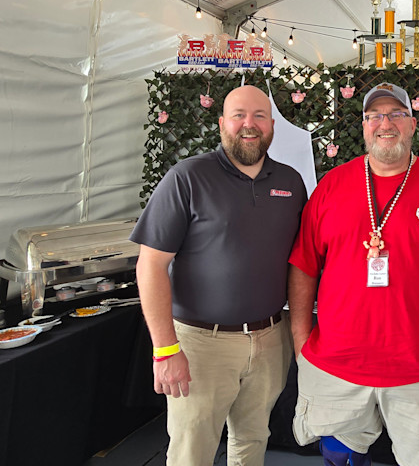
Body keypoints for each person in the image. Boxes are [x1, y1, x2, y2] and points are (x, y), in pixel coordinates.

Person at [288, 82, 419, 466]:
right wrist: (301, 339)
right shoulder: (331, 187)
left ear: (412, 125)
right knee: (338, 456)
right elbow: (303, 266)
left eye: (396, 114)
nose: (386, 123)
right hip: (337, 364)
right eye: (375, 115)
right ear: (363, 126)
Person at [130, 85, 306, 466]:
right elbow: (150, 265)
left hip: (270, 339)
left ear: (272, 125)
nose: (249, 124)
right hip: (200, 345)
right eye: (239, 115)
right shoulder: (187, 178)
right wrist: (165, 348)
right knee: (192, 450)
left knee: (253, 440)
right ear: (223, 123)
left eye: (259, 116)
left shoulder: (291, 183)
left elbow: (301, 261)